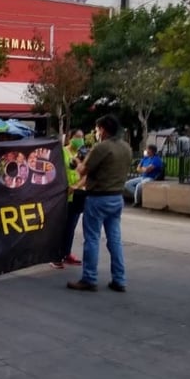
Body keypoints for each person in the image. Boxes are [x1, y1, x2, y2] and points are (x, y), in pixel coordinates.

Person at [68, 114, 132, 293]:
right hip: (117, 197)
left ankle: (89, 278)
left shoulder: (102, 147)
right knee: (115, 239)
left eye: (96, 130)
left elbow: (83, 171)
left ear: (102, 130)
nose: (96, 133)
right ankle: (119, 279)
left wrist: (77, 161)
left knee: (92, 239)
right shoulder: (126, 147)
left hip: (98, 198)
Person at [50, 130, 86, 270]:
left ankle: (66, 253)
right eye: (77, 137)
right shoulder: (62, 152)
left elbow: (86, 173)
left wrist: (78, 185)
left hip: (77, 194)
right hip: (63, 194)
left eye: (82, 137)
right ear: (70, 138)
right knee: (61, 226)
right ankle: (56, 256)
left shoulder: (83, 155)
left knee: (71, 226)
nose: (80, 140)